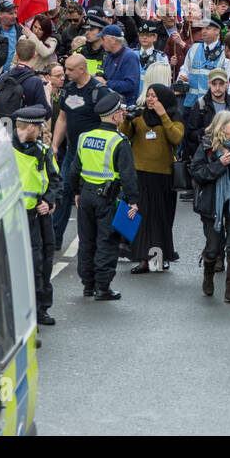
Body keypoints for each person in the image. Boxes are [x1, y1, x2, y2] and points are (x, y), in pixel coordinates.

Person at [66, 91, 140, 301]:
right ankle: (102, 286)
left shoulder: (84, 137)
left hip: (87, 195)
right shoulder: (119, 141)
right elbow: (128, 175)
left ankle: (88, 285)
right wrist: (133, 201)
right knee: (107, 241)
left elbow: (74, 170)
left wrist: (77, 192)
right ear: (115, 116)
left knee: (87, 241)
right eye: (122, 112)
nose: (124, 115)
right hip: (108, 198)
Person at [122, 84, 185, 272]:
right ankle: (143, 259)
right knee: (141, 218)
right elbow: (124, 135)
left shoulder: (174, 116)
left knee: (160, 219)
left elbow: (176, 138)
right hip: (139, 174)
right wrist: (126, 119)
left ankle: (160, 257)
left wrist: (163, 115)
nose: (150, 100)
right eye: (148, 95)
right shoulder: (139, 116)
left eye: (155, 96)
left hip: (163, 176)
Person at [191, 111, 230, 303]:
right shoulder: (207, 147)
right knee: (214, 247)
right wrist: (220, 164)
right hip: (211, 202)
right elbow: (197, 173)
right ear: (222, 127)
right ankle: (208, 274)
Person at [12, 105, 61, 327]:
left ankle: (41, 308)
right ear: (30, 128)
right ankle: (24, 311)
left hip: (40, 216)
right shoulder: (4, 151)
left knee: (43, 261)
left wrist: (49, 200)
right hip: (16, 218)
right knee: (24, 265)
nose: (43, 130)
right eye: (40, 126)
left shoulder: (42, 150)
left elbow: (54, 179)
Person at [51, 54, 106, 249]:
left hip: (94, 156)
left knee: (93, 198)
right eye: (65, 69)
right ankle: (54, 239)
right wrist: (55, 145)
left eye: (70, 70)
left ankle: (97, 241)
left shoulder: (100, 92)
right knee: (63, 191)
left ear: (82, 69)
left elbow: (109, 123)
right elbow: (62, 119)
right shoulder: (67, 89)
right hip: (72, 153)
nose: (66, 73)